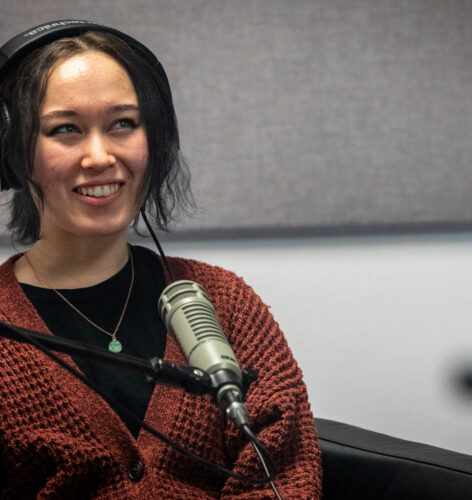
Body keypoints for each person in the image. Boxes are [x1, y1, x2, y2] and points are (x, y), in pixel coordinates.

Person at [0, 21, 322, 499]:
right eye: (65, 129)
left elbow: (287, 476)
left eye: (123, 124)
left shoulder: (225, 303)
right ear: (12, 152)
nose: (99, 156)